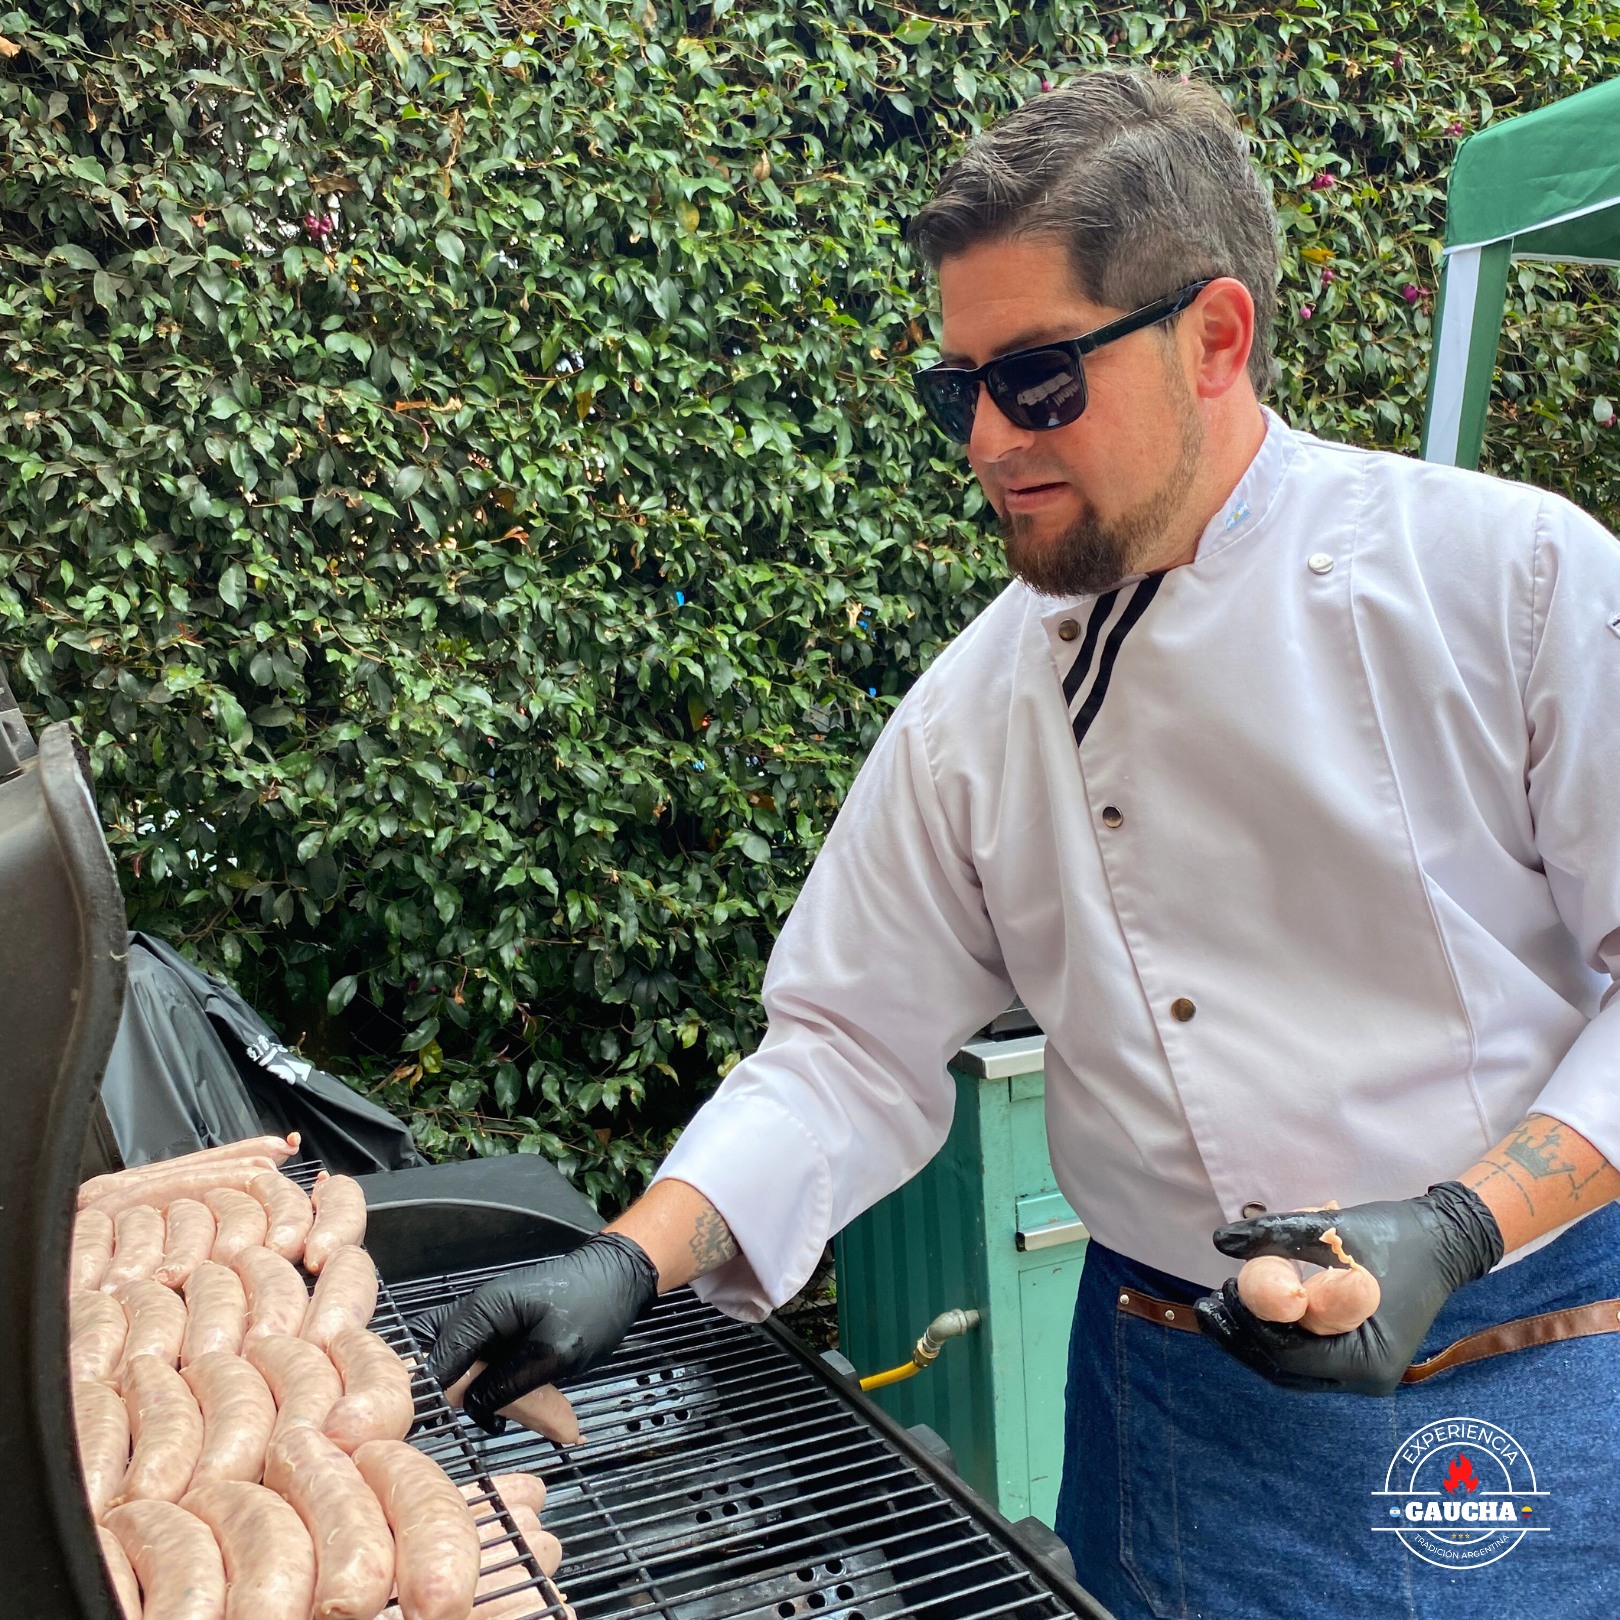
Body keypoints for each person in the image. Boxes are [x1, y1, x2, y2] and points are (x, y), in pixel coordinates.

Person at [426, 70, 1620, 1617]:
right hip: (1186, 1390)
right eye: (957, 389)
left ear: (1214, 338)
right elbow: (844, 1048)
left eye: (1040, 377)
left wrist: (1459, 1225)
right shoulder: (975, 710)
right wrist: (630, 1260)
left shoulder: (1514, 581)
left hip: (1524, 1342)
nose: (988, 440)